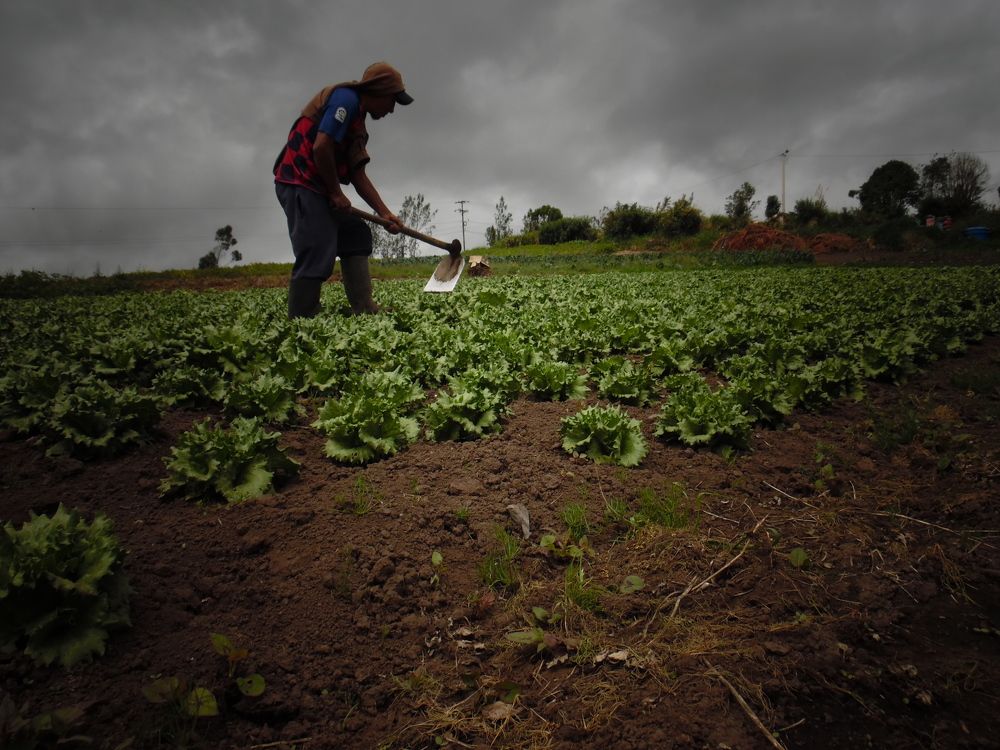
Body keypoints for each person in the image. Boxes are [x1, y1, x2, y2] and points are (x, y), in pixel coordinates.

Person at [273, 61, 413, 318]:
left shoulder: (357, 123)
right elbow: (321, 146)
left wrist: (384, 213)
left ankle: (363, 306)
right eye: (393, 101)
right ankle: (301, 319)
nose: (392, 110)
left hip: (319, 187)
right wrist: (336, 193)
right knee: (316, 246)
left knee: (355, 233)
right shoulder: (345, 100)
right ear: (379, 91)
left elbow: (358, 174)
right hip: (299, 181)